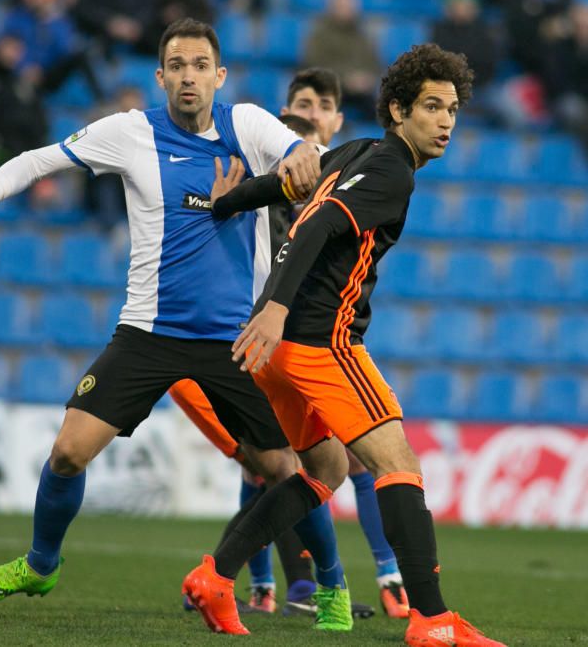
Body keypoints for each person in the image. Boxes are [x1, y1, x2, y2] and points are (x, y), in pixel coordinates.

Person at [0, 18, 355, 635]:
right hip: (147, 334)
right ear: (160, 76)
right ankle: (40, 564)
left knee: (284, 469)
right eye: (176, 65)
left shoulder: (246, 124)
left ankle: (331, 590)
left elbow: (308, 155)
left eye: (200, 65)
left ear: (219, 75)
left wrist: (299, 154)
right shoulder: (131, 132)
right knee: (66, 455)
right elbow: (40, 158)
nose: (188, 76)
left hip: (234, 340)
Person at [182, 44, 505, 645]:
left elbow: (288, 185)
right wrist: (276, 307)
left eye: (453, 109)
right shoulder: (393, 170)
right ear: (398, 110)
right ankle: (433, 621)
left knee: (324, 468)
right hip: (319, 340)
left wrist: (226, 201)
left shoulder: (354, 151)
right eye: (431, 107)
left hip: (279, 350)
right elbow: (327, 219)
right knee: (398, 465)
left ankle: (217, 575)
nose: (445, 121)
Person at [175, 67, 411, 620]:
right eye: (299, 105)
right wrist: (225, 207)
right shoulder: (275, 182)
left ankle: (302, 583)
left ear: (335, 119)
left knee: (319, 463)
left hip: (298, 339)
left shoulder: (347, 173)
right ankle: (288, 586)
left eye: (320, 105)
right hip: (260, 340)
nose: (310, 115)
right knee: (284, 464)